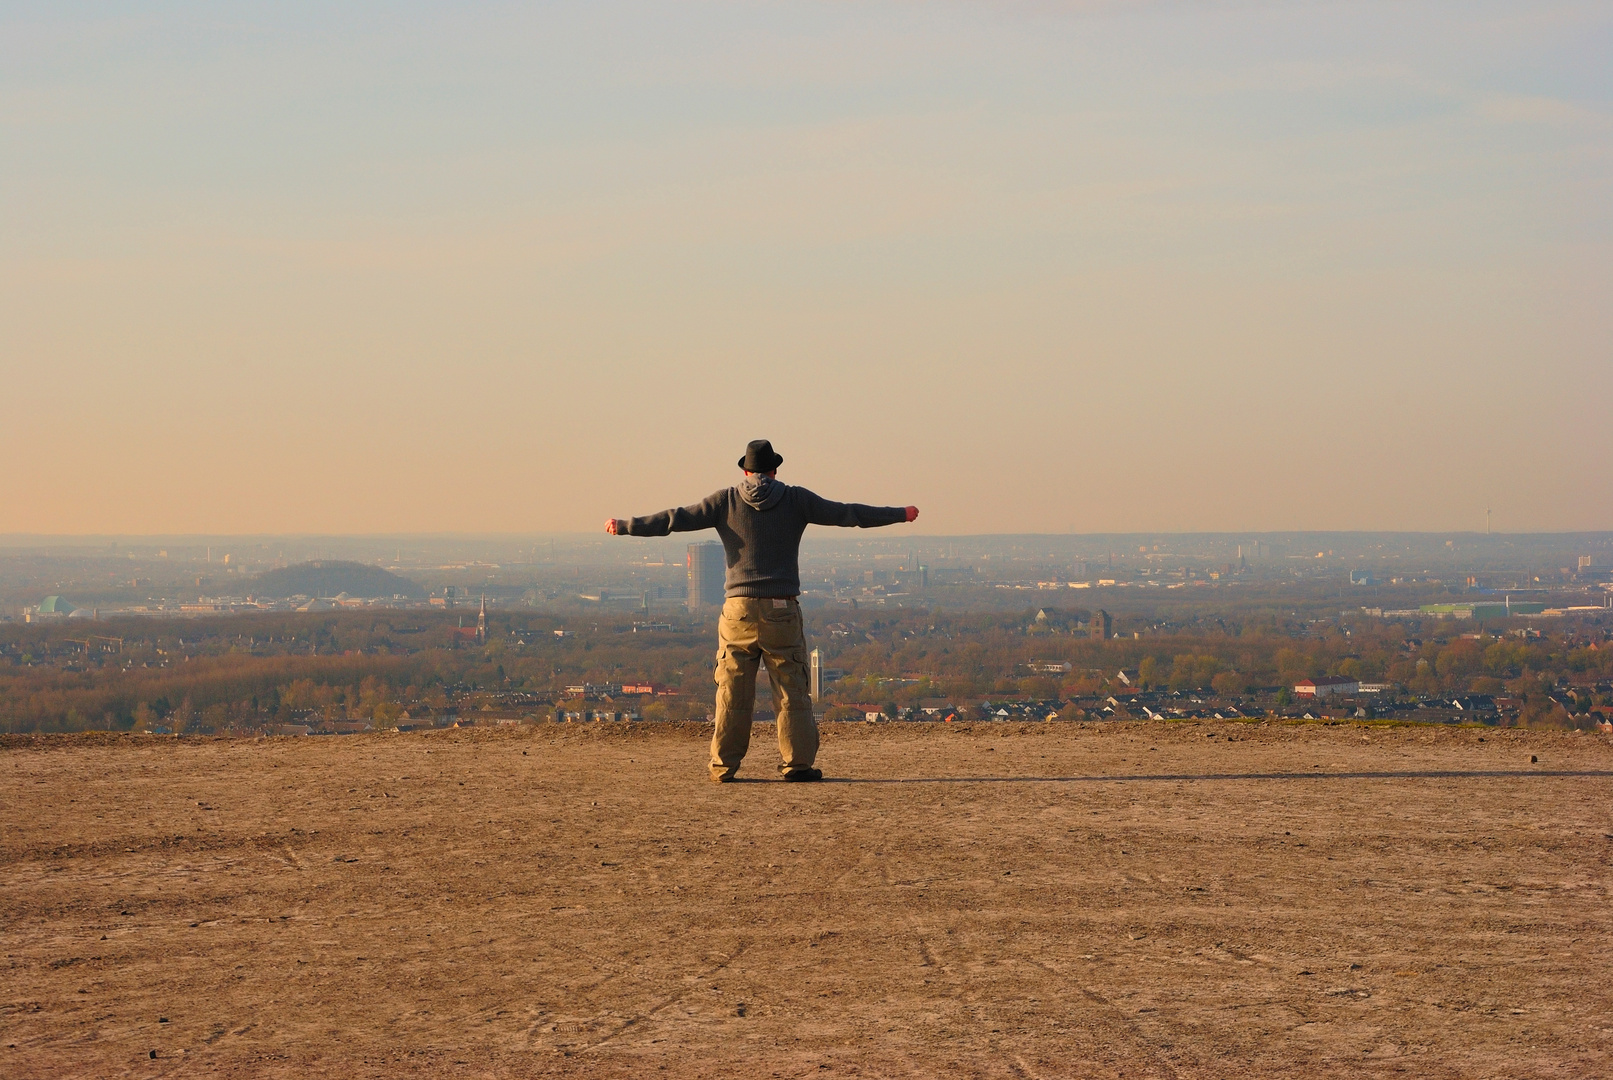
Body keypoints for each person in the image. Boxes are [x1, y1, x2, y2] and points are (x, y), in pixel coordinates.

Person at [607, 440, 917, 782]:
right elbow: (849, 514)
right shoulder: (795, 499)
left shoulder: (725, 500)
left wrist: (625, 525)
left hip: (737, 610)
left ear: (745, 470)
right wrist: (899, 514)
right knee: (790, 689)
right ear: (774, 469)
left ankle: (723, 767)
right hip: (781, 608)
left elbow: (674, 519)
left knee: (732, 690)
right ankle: (796, 765)